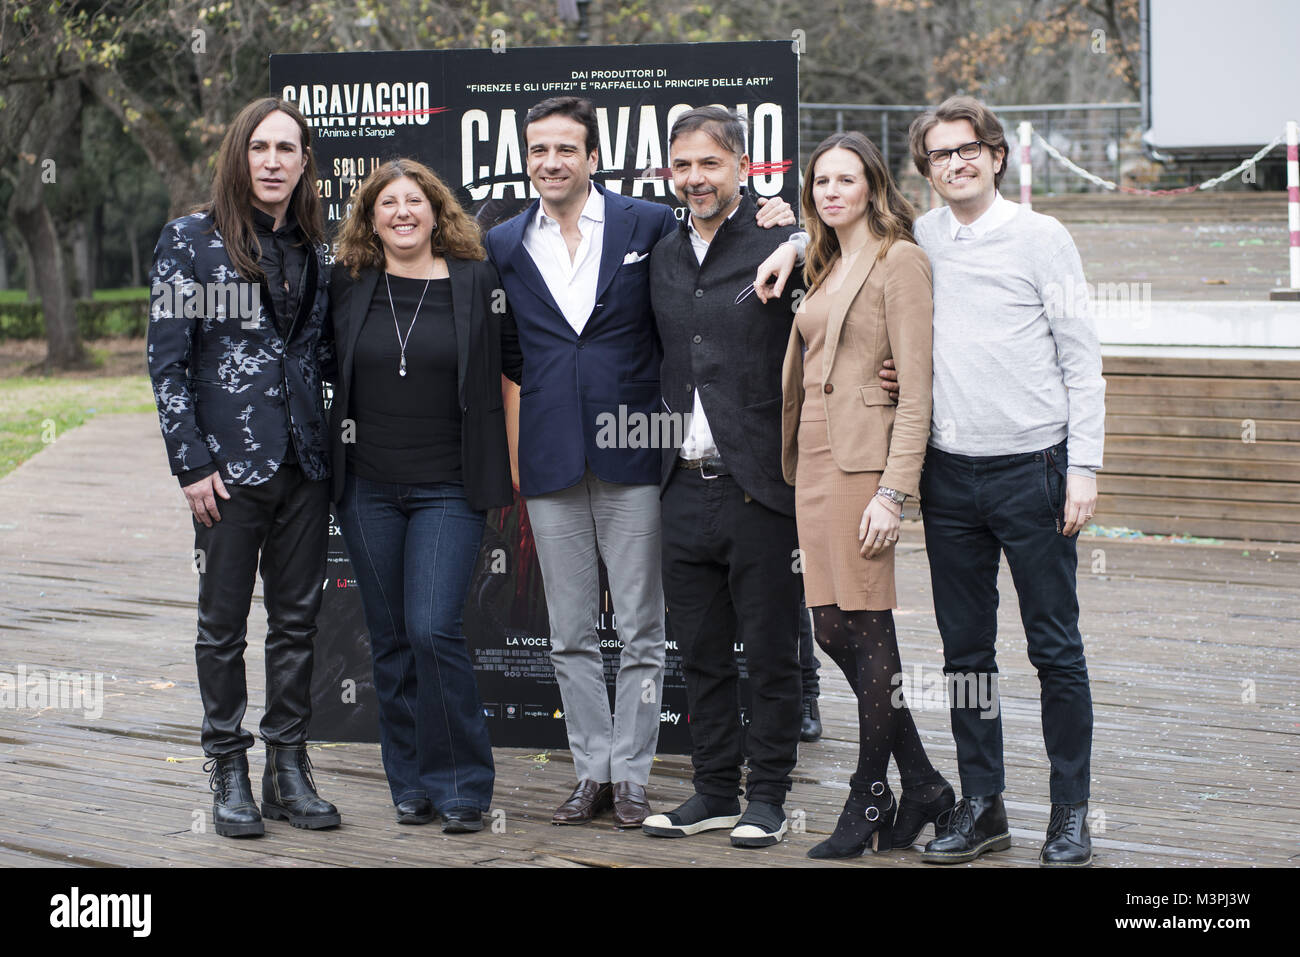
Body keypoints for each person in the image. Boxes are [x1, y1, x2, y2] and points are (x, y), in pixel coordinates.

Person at [757, 97, 1104, 866]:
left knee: (1055, 649)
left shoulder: (1043, 239)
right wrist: (788, 243)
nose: (956, 163)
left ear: (997, 155)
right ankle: (982, 805)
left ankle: (1071, 811)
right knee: (965, 655)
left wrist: (1083, 466)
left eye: (969, 149)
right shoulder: (923, 241)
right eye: (941, 154)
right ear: (924, 167)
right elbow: (845, 240)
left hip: (1035, 468)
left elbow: (1083, 358)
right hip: (949, 475)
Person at [484, 96, 793, 829]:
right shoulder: (502, 242)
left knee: (645, 630)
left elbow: (741, 233)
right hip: (552, 454)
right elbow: (509, 352)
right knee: (569, 632)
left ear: (594, 156)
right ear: (525, 158)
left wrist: (795, 226)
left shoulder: (647, 223)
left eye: (566, 148)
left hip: (638, 455)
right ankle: (590, 770)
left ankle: (633, 775)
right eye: (538, 150)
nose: (551, 162)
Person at [147, 97, 339, 838]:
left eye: (287, 149)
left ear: (303, 163)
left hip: (305, 464)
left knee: (297, 624)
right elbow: (166, 362)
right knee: (221, 626)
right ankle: (227, 766)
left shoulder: (315, 247)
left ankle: (287, 769)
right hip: (224, 472)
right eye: (260, 147)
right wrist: (189, 463)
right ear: (240, 155)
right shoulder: (189, 241)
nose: (273, 161)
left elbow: (317, 354)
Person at [759, 131, 954, 859]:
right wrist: (786, 246)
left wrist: (893, 491)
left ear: (872, 184)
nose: (831, 191)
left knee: (864, 626)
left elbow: (917, 386)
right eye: (821, 182)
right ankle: (926, 783)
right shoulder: (827, 258)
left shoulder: (898, 260)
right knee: (834, 630)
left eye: (846, 179)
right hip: (811, 462)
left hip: (863, 468)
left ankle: (870, 791)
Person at [325, 158, 518, 833]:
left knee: (433, 627)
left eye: (415, 201)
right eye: (388, 203)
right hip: (366, 487)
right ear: (370, 218)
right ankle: (409, 781)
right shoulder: (348, 285)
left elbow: (513, 367)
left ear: (437, 211)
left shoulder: (475, 280)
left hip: (449, 487)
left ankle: (463, 785)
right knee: (389, 638)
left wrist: (514, 464)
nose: (402, 212)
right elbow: (314, 361)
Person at [637, 107, 803, 848]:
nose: (696, 179)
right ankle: (710, 789)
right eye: (683, 166)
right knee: (699, 652)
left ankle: (766, 797)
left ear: (741, 164)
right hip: (679, 482)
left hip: (760, 484)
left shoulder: (780, 238)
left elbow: (858, 258)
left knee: (768, 651)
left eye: (709, 164)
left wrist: (798, 233)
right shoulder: (659, 247)